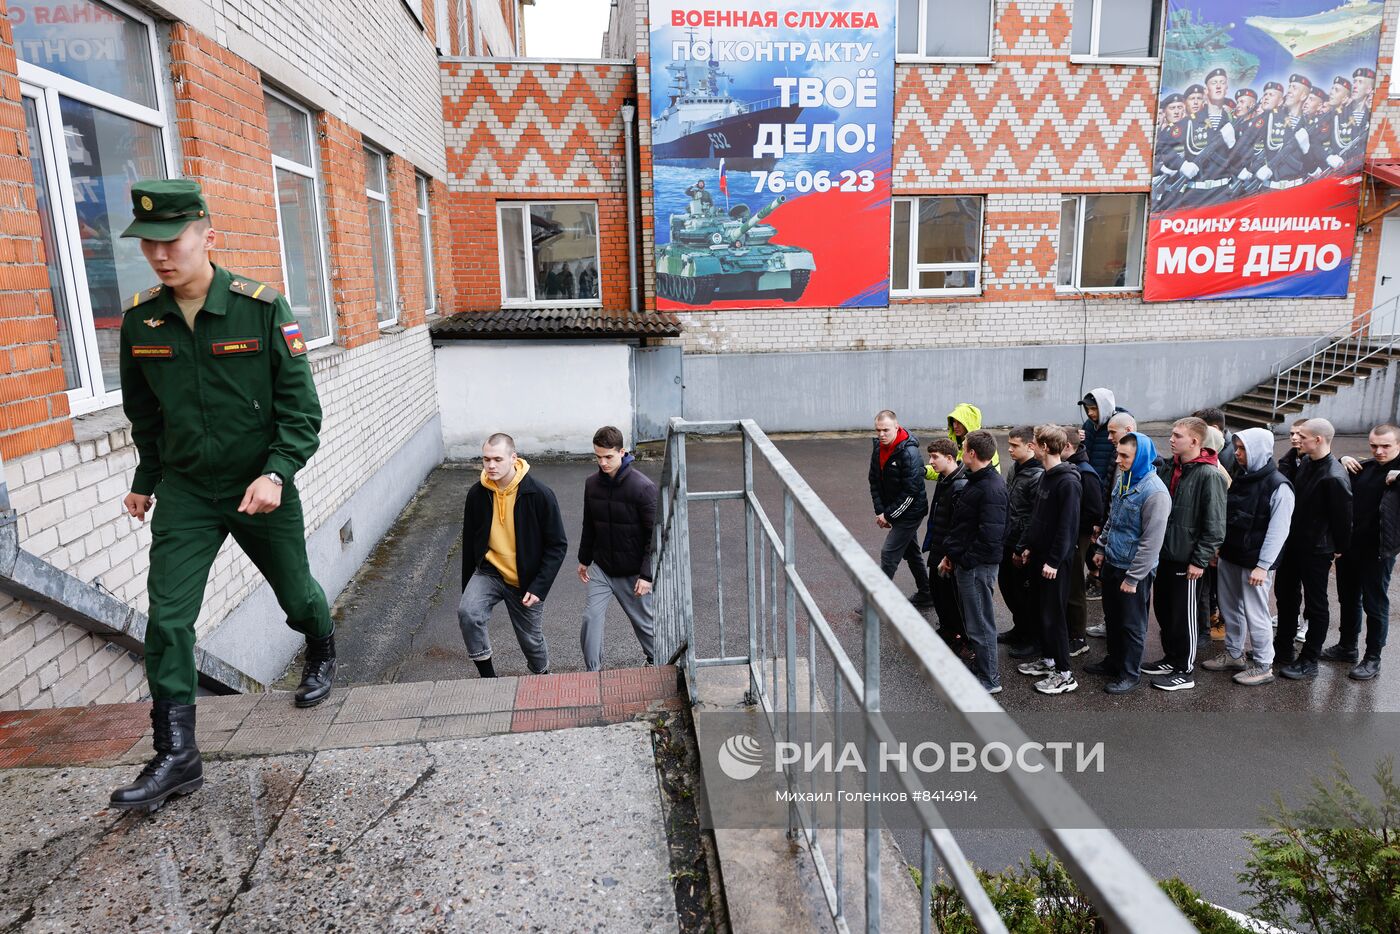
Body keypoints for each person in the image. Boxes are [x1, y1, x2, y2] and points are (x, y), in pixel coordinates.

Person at [111, 180, 333, 812]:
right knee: (168, 616)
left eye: (170, 239)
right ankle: (176, 754)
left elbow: (300, 411)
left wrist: (278, 472)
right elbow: (144, 414)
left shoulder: (260, 309)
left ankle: (320, 643)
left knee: (296, 594)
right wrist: (145, 480)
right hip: (185, 491)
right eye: (148, 243)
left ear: (208, 235)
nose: (158, 254)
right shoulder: (140, 320)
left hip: (259, 485)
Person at [459, 433, 567, 678]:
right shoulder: (477, 495)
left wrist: (539, 586)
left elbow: (557, 545)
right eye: (486, 459)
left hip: (525, 580)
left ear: (513, 458)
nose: (491, 465)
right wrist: (467, 588)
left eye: (497, 459)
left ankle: (542, 674)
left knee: (530, 640)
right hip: (490, 572)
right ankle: (488, 677)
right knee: (468, 613)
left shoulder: (539, 494)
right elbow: (469, 543)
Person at [1204, 428, 1293, 687]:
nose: (1238, 454)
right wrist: (1220, 549)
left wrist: (1263, 566)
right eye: (1238, 448)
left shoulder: (1279, 486)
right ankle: (1234, 654)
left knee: (1256, 613)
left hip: (1255, 563)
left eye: (1243, 449)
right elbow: (1230, 517)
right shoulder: (1243, 477)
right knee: (1230, 609)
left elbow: (1279, 531)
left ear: (1258, 450)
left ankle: (1264, 665)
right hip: (1231, 555)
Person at [1144, 417, 1226, 692]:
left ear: (1194, 441)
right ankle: (1171, 658)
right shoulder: (1172, 467)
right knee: (1165, 611)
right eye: (1172, 434)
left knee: (1184, 615)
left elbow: (1214, 526)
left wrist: (1199, 560)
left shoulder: (1209, 475)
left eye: (1177, 436)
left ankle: (1185, 670)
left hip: (1186, 559)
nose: (1171, 439)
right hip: (1165, 554)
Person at [1087, 432, 1170, 694]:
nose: (1118, 460)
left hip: (1133, 571)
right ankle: (1113, 662)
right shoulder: (1124, 479)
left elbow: (1151, 542)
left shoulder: (1155, 492)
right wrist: (1101, 547)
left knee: (1132, 625)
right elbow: (1113, 517)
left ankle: (1129, 673)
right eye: (1118, 454)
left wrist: (1134, 578)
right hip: (1113, 561)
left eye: (1125, 456)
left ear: (1141, 457)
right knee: (1112, 617)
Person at [1276, 419, 1352, 680]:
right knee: (1286, 596)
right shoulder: (1307, 462)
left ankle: (1309, 660)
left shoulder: (1334, 475)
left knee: (1316, 604)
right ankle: (1283, 648)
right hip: (1294, 544)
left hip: (1316, 550)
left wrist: (1339, 548)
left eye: (1303, 436)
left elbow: (1343, 519)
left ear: (1318, 439)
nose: (1296, 439)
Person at [577, 426, 657, 672]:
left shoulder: (643, 487)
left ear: (622, 452)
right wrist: (584, 559)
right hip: (602, 568)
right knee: (591, 618)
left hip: (633, 573)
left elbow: (655, 536)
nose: (602, 462)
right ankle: (593, 673)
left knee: (645, 625)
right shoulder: (592, 485)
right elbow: (589, 524)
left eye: (608, 457)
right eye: (598, 457)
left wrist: (646, 575)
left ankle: (659, 661)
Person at [1016, 425, 1082, 695]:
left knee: (1055, 616)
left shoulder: (1068, 482)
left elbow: (1067, 527)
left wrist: (1054, 561)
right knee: (1043, 613)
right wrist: (1029, 546)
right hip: (1041, 557)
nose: (1031, 445)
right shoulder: (1046, 476)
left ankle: (1065, 674)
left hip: (1056, 563)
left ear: (1044, 447)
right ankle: (1049, 660)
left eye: (1035, 442)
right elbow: (1040, 518)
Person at [940, 430, 1008, 694]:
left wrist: (965, 560)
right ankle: (982, 669)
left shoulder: (990, 487)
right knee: (976, 621)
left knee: (980, 623)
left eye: (963, 448)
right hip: (970, 564)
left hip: (977, 567)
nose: (960, 452)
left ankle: (990, 679)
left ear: (971, 454)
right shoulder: (979, 481)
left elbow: (991, 537)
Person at [1332, 425, 1400, 680]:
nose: (1379, 451)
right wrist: (1341, 460)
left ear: (1398, 445)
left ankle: (1373, 658)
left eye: (1386, 446)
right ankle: (1347, 647)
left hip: (1379, 552)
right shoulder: (1367, 468)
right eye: (1374, 446)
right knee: (1348, 599)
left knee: (1375, 604)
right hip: (1350, 547)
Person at [870, 411, 933, 604]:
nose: (881, 434)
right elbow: (874, 481)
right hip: (893, 509)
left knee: (889, 553)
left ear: (896, 428)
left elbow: (911, 492)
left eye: (886, 430)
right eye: (878, 430)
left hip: (912, 512)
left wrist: (888, 516)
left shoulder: (909, 452)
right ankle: (927, 593)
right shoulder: (878, 448)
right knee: (911, 552)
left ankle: (876, 603)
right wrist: (880, 510)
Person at [999, 426, 1043, 653]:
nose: (1009, 449)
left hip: (1022, 543)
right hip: (1009, 537)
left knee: (1024, 592)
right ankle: (1020, 628)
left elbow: (1036, 516)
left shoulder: (1037, 476)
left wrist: (1023, 546)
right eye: (1009, 444)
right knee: (1007, 586)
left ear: (1030, 446)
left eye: (1015, 445)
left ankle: (1032, 638)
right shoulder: (1015, 469)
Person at [923, 438, 970, 654]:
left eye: (935, 457)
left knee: (951, 596)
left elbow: (958, 525)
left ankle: (960, 636)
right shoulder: (945, 479)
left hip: (947, 551)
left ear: (950, 458)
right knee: (938, 591)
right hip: (938, 546)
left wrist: (949, 555)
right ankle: (947, 629)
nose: (930, 462)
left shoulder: (958, 484)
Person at [1063, 432, 1104, 657]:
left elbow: (1094, 510)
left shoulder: (1085, 473)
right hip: (1072, 533)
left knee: (1074, 585)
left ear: (1067, 445)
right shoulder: (1071, 468)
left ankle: (1078, 638)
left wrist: (1083, 531)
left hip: (1078, 535)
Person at [1079, 388, 1128, 498]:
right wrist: (1078, 442)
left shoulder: (1119, 426)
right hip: (1087, 483)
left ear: (1104, 407)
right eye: (1087, 409)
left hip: (1105, 489)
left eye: (1094, 408)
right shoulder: (1089, 424)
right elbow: (1084, 453)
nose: (1090, 413)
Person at [1194, 407, 1237, 474]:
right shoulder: (1207, 441)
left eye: (1200, 429)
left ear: (1214, 428)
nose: (1196, 432)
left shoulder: (1235, 451)